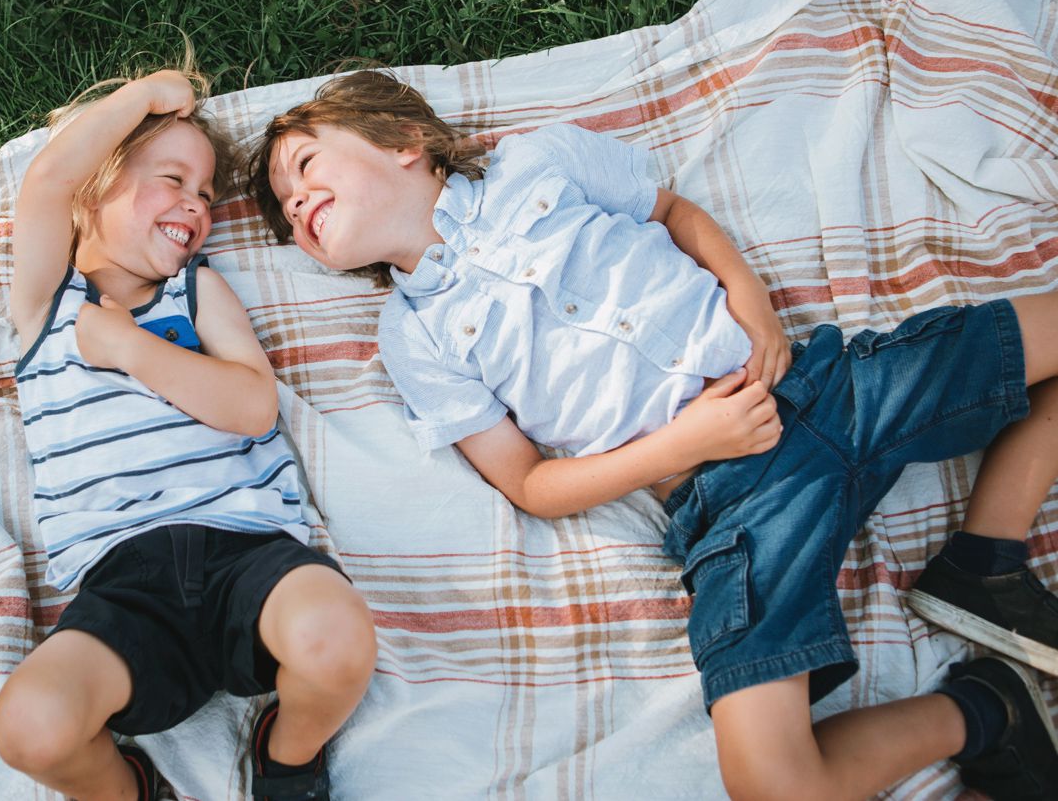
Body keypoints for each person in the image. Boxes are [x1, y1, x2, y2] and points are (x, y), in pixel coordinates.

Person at [245, 69, 1058, 800]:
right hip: (734, 508)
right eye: (286, 209)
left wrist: (753, 302)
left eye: (307, 166)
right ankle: (985, 709)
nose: (298, 203)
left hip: (816, 386)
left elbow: (669, 210)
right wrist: (681, 446)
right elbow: (528, 482)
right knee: (772, 781)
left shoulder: (537, 163)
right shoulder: (414, 334)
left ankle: (984, 558)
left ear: (404, 143)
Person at [0, 61, 376, 801]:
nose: (195, 205)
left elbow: (252, 406)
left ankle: (288, 753)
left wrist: (134, 348)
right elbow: (44, 183)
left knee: (339, 640)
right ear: (97, 186)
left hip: (248, 555)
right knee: (30, 725)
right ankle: (129, 789)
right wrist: (140, 99)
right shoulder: (48, 307)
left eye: (204, 193)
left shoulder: (197, 291)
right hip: (123, 587)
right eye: (171, 178)